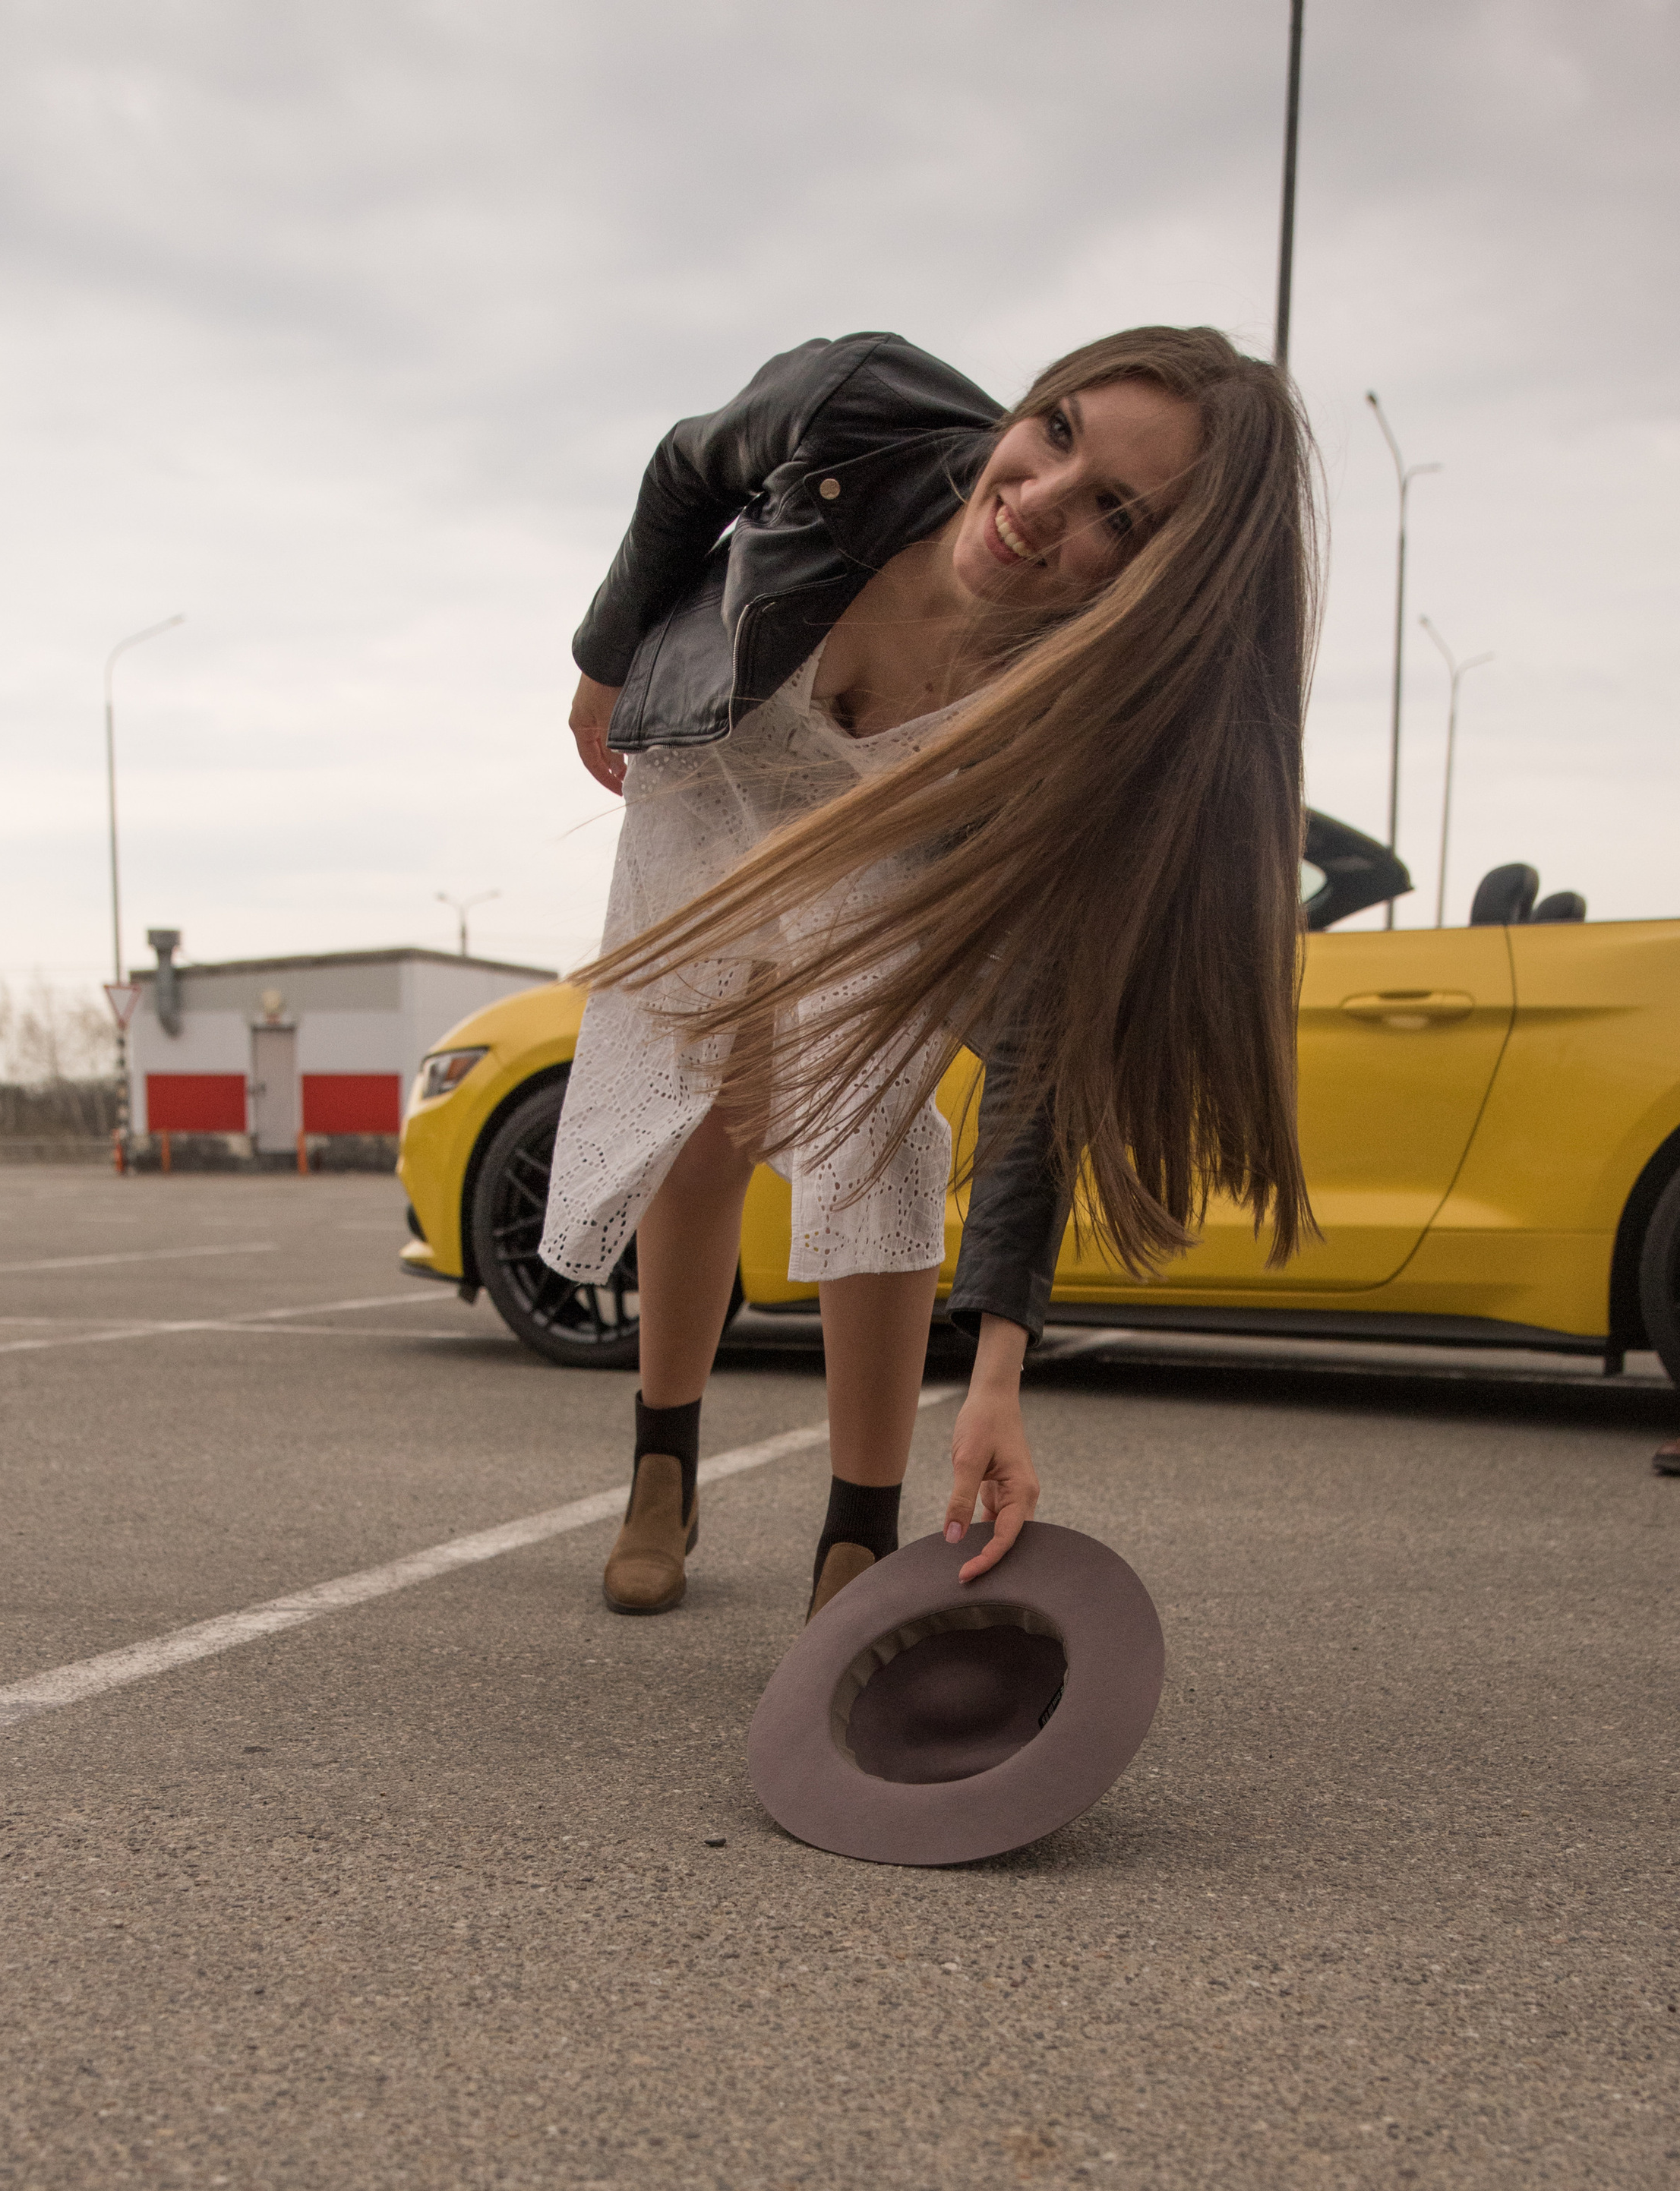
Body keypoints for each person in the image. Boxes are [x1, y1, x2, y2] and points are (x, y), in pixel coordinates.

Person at [542, 327, 1318, 1618]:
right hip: (728, 756)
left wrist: (1001, 1373)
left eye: (1112, 516)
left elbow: (1040, 1064)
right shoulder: (864, 408)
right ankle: (661, 1473)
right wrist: (606, 653)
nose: (1035, 501)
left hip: (900, 827)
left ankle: (859, 1540)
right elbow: (690, 467)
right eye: (1055, 431)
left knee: (877, 1135)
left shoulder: (1075, 732)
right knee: (702, 1115)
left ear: (1156, 579)